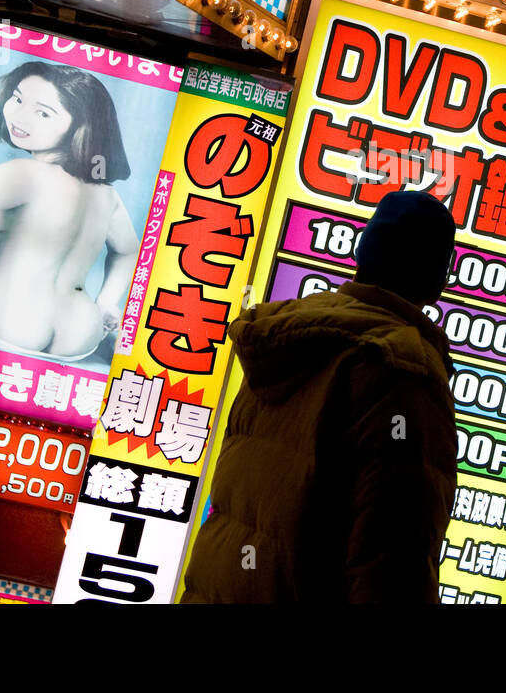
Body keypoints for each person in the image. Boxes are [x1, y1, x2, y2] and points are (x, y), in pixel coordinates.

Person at [181, 190, 459, 603]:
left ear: (363, 257)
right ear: (437, 283)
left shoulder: (287, 342)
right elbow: (393, 558)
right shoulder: (399, 374)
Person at [0, 61, 139, 361]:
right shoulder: (107, 194)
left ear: (81, 126)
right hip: (81, 336)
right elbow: (128, 249)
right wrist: (107, 303)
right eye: (16, 99)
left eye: (43, 113)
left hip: (9, 323)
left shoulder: (25, 174)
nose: (18, 115)